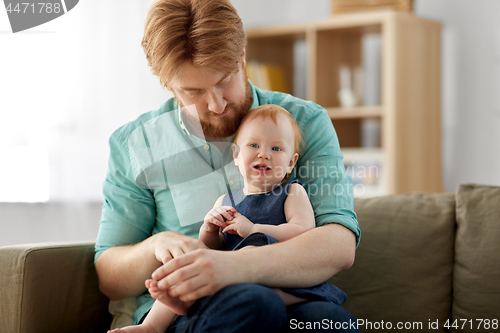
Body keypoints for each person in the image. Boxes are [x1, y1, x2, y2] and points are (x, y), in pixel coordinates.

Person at [95, 0, 361, 332]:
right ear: (167, 84)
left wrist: (232, 265)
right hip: (191, 309)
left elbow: (338, 245)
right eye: (193, 91)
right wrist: (157, 245)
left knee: (329, 322)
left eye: (225, 80)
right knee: (253, 306)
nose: (217, 104)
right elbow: (110, 278)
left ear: (243, 55)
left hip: (293, 295)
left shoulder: (304, 123)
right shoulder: (133, 143)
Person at [111, 105, 348, 333]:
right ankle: (152, 326)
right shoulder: (226, 200)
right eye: (254, 145)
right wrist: (209, 230)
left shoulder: (291, 192)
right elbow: (214, 248)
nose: (264, 153)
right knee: (189, 267)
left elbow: (302, 231)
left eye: (276, 149)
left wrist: (254, 228)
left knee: (298, 305)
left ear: (291, 163)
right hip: (232, 281)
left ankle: (190, 304)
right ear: (236, 155)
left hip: (282, 279)